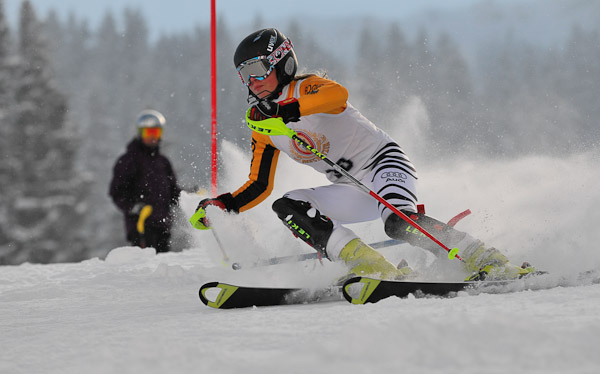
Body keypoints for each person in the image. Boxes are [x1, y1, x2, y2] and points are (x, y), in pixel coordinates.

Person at [190, 28, 535, 282]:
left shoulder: (306, 87)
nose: (251, 82)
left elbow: (337, 94)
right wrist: (224, 206)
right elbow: (259, 184)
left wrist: (290, 109)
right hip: (352, 187)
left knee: (398, 223)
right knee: (288, 205)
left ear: (281, 64)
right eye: (243, 75)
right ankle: (370, 266)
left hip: (385, 163)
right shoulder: (263, 127)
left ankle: (487, 258)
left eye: (256, 70)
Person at [110, 109, 181, 252]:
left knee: (163, 267)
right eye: (148, 133)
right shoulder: (129, 160)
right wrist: (134, 207)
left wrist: (189, 197)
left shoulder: (163, 162)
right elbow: (116, 192)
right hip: (140, 227)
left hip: (163, 226)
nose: (152, 137)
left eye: (156, 133)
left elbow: (172, 192)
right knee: (146, 268)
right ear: (140, 133)